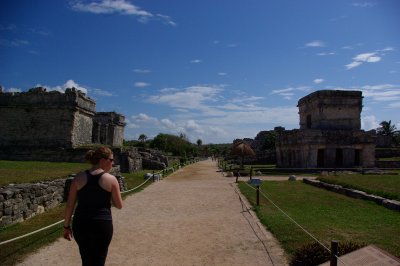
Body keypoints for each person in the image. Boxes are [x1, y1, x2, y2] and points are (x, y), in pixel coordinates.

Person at [63, 147, 123, 266]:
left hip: (81, 223)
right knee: (99, 260)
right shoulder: (111, 179)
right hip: (101, 224)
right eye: (111, 160)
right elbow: (119, 205)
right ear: (102, 160)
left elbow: (70, 205)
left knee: (86, 259)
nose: (113, 163)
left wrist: (66, 226)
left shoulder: (78, 177)